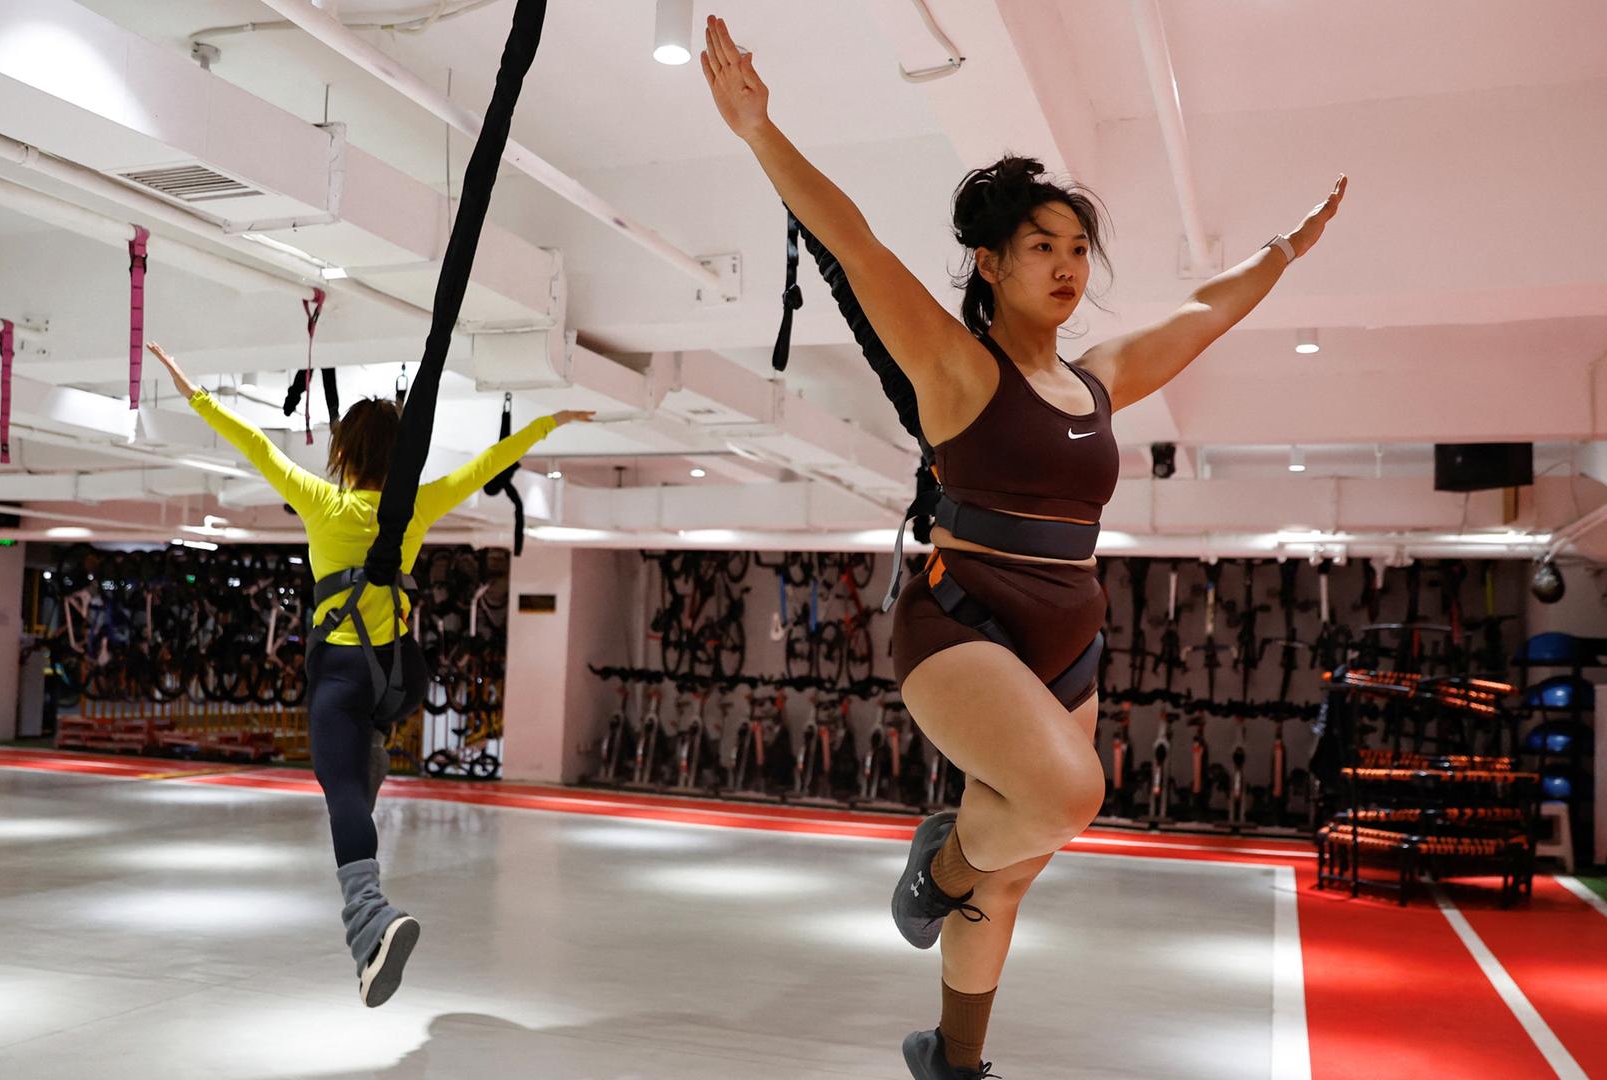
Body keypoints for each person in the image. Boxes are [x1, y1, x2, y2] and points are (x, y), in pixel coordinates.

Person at [699, 15, 1346, 1077]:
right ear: (991, 264)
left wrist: (1286, 250)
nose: (1066, 264)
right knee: (1068, 797)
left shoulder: (1099, 381)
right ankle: (934, 871)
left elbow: (1206, 312)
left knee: (1017, 869)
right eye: (1042, 246)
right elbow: (857, 246)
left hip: (1071, 636)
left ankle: (952, 1060)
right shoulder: (957, 367)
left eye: (1078, 248)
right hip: (963, 620)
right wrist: (759, 131)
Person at [146, 340, 592, 1007]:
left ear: (346, 455)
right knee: (359, 761)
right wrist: (547, 424)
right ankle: (373, 757)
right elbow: (487, 465)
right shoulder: (419, 505)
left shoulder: (321, 502)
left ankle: (372, 916)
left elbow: (253, 445)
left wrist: (193, 392)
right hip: (402, 677)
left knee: (344, 796)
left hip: (342, 676)